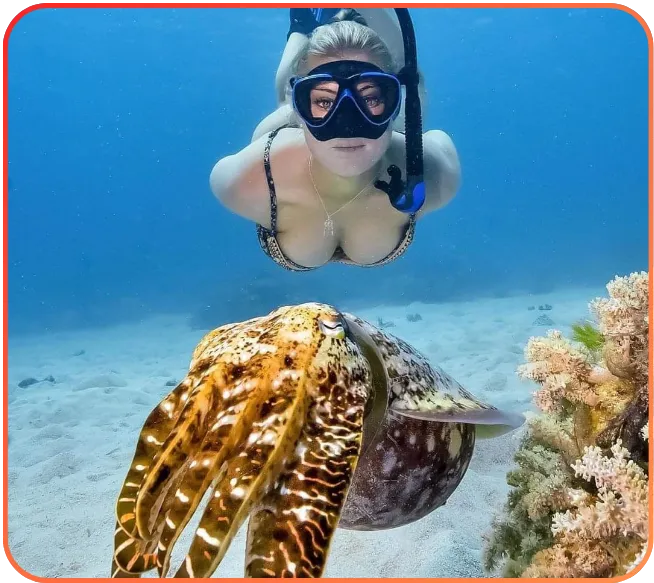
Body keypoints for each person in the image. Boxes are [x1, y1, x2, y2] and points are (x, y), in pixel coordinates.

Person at [210, 8, 461, 271]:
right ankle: (301, 24)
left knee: (411, 81)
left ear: (393, 102)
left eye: (371, 97)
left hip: (390, 133)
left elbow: (430, 125)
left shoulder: (434, 173)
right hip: (291, 130)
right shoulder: (243, 181)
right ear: (301, 109)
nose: (347, 125)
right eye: (323, 101)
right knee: (286, 94)